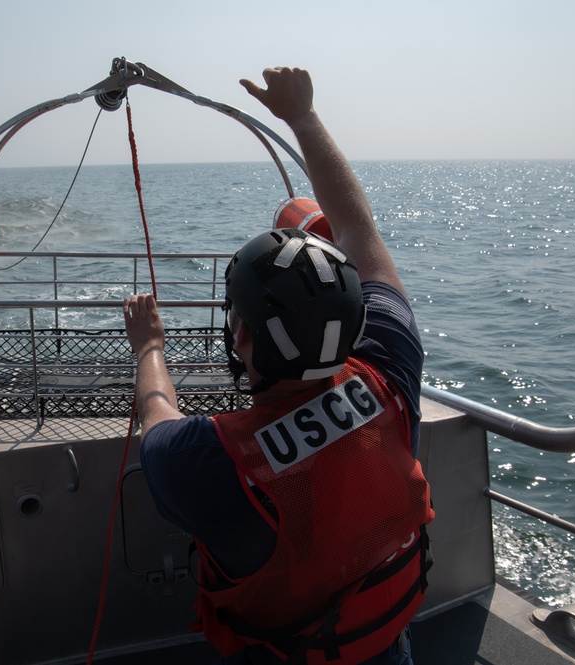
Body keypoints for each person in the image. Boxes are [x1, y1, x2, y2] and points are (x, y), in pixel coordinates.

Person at [122, 67, 434, 665]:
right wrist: (304, 116)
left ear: (239, 334)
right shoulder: (391, 362)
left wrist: (148, 347)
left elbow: (157, 413)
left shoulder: (206, 462)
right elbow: (358, 229)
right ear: (353, 319)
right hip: (384, 643)